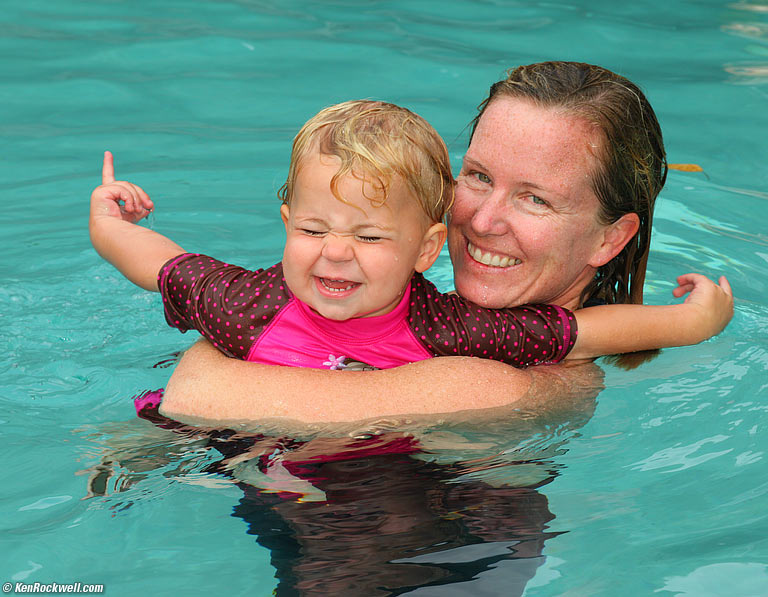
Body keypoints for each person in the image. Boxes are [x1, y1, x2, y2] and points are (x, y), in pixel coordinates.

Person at [91, 98, 728, 381]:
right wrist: (109, 224)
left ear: (424, 249)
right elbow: (165, 265)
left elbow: (581, 334)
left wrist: (688, 322)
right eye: (314, 229)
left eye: (368, 235)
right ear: (287, 225)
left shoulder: (446, 327)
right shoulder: (244, 301)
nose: (335, 251)